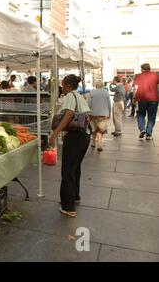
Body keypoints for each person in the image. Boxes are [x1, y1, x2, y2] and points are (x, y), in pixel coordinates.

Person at [49, 75, 91, 218]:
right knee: (75, 168)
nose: (62, 87)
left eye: (62, 84)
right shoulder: (79, 96)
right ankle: (75, 196)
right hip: (84, 136)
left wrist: (55, 133)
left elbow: (68, 115)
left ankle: (68, 206)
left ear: (67, 85)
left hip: (75, 137)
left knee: (67, 170)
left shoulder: (70, 96)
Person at [133, 63, 159, 140]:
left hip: (141, 99)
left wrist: (134, 97)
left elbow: (135, 87)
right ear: (149, 68)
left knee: (140, 115)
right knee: (152, 117)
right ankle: (149, 134)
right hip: (154, 99)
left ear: (142, 69)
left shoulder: (138, 76)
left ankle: (142, 129)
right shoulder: (155, 75)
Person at [88, 80, 111, 152]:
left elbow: (89, 104)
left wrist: (88, 113)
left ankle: (93, 142)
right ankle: (100, 144)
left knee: (94, 129)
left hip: (94, 113)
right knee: (101, 130)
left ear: (95, 85)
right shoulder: (106, 92)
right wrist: (109, 113)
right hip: (104, 114)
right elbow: (109, 104)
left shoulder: (92, 92)